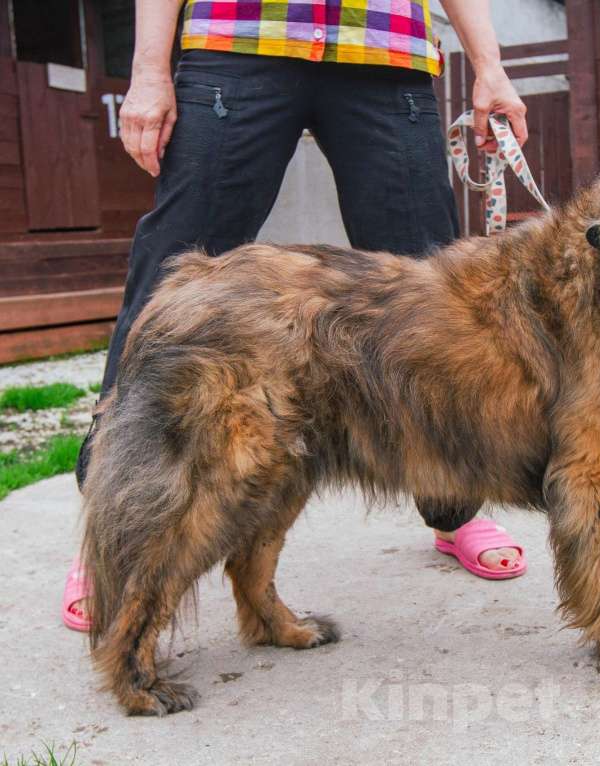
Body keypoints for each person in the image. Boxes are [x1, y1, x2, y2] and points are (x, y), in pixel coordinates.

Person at [62, 0, 532, 631]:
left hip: (383, 49)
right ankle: (115, 522)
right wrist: (150, 69)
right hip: (240, 40)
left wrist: (490, 65)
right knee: (166, 284)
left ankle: (454, 507)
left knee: (433, 297)